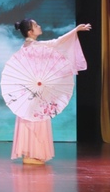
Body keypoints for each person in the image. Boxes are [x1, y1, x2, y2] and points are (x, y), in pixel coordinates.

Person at [10, 18, 91, 165]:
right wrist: (76, 30)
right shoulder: (35, 46)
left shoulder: (29, 46)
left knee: (33, 119)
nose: (39, 26)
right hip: (34, 90)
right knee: (36, 120)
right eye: (36, 25)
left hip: (32, 89)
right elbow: (58, 42)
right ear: (30, 32)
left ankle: (30, 153)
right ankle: (31, 154)